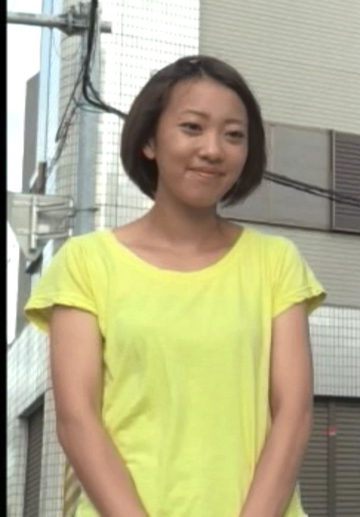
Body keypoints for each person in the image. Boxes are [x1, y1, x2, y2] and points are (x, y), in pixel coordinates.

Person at [25, 56, 325, 516]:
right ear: (149, 140)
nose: (213, 149)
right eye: (192, 128)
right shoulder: (86, 263)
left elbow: (293, 413)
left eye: (233, 135)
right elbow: (76, 419)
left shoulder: (276, 263)